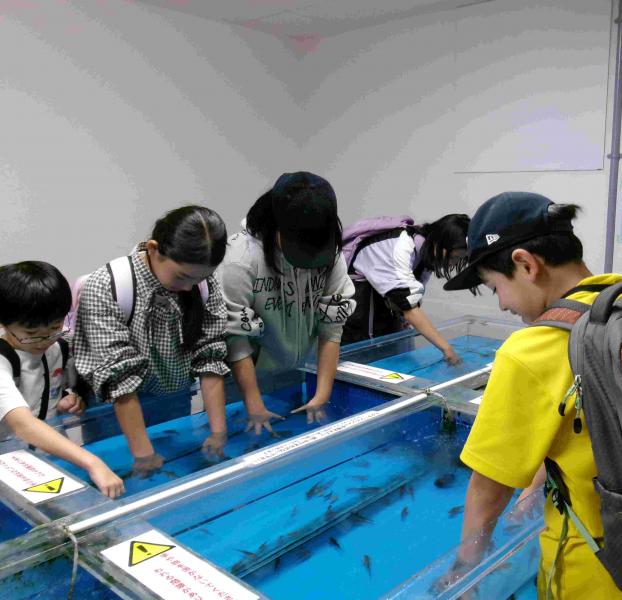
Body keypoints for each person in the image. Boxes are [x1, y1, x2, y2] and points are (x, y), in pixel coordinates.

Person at [442, 192, 622, 599]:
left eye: (495, 287)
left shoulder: (532, 350)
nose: (502, 304)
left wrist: (462, 574)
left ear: (526, 264)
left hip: (597, 576)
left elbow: (488, 490)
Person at [73, 205, 230, 477]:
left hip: (173, 397)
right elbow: (119, 379)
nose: (189, 287)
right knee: (121, 475)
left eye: (200, 278)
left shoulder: (203, 283)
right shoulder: (107, 285)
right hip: (115, 409)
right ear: (154, 249)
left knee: (174, 470)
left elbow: (210, 356)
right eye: (182, 276)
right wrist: (143, 453)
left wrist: (218, 432)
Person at [216, 172, 356, 433]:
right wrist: (253, 404)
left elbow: (332, 328)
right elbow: (235, 340)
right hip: (240, 383)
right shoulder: (240, 259)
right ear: (276, 225)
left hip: (293, 374)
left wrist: (322, 395)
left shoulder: (331, 254)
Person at [0, 261, 124, 498]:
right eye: (31, 334)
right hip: (9, 467)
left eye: (55, 328)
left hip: (47, 461)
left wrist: (67, 397)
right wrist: (92, 462)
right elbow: (23, 424)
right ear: (4, 324)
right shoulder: (3, 361)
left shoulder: (59, 349)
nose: (44, 341)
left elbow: (55, 387)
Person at [341, 213, 470, 365]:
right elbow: (410, 309)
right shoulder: (399, 247)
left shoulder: (425, 254)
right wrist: (447, 349)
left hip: (381, 314)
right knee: (360, 362)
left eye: (458, 259)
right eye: (453, 257)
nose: (452, 264)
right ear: (440, 243)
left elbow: (410, 298)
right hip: (357, 313)